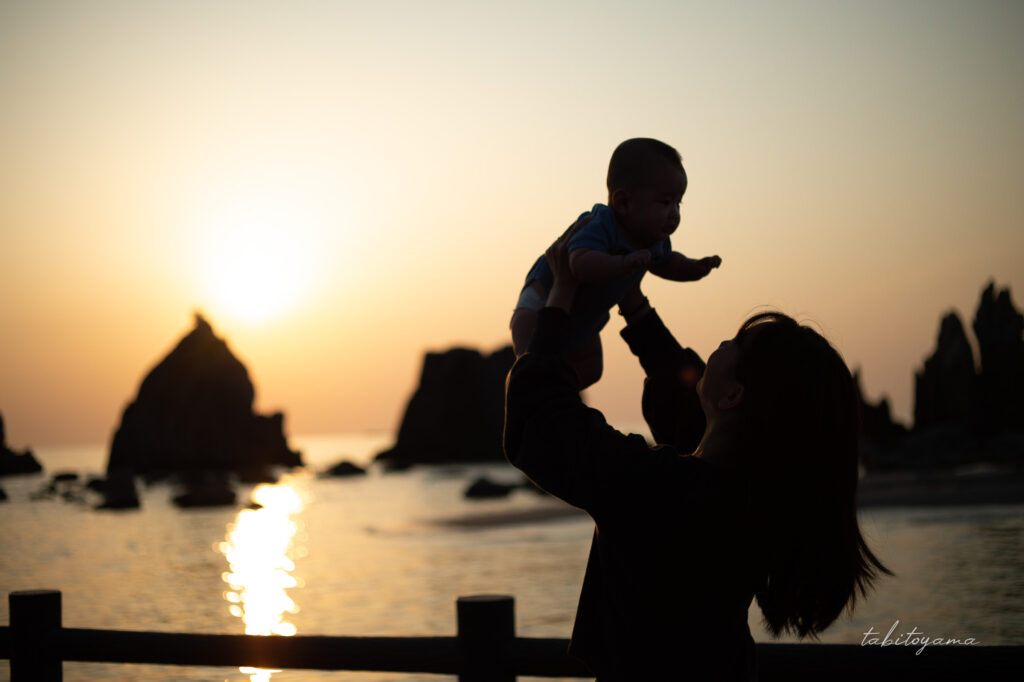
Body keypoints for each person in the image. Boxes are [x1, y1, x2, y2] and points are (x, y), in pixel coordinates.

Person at [503, 221, 892, 680]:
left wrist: (562, 293)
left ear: (733, 398)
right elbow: (683, 399)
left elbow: (542, 422)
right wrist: (630, 300)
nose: (721, 344)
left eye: (736, 343)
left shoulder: (666, 492)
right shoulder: (750, 496)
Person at [510, 138, 722, 390]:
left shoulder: (654, 240)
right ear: (623, 202)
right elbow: (578, 263)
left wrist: (693, 268)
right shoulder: (600, 224)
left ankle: (556, 395)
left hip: (583, 320)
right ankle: (525, 391)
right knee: (528, 359)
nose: (674, 213)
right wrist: (622, 263)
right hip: (543, 301)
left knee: (592, 368)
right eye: (665, 202)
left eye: (678, 203)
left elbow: (668, 264)